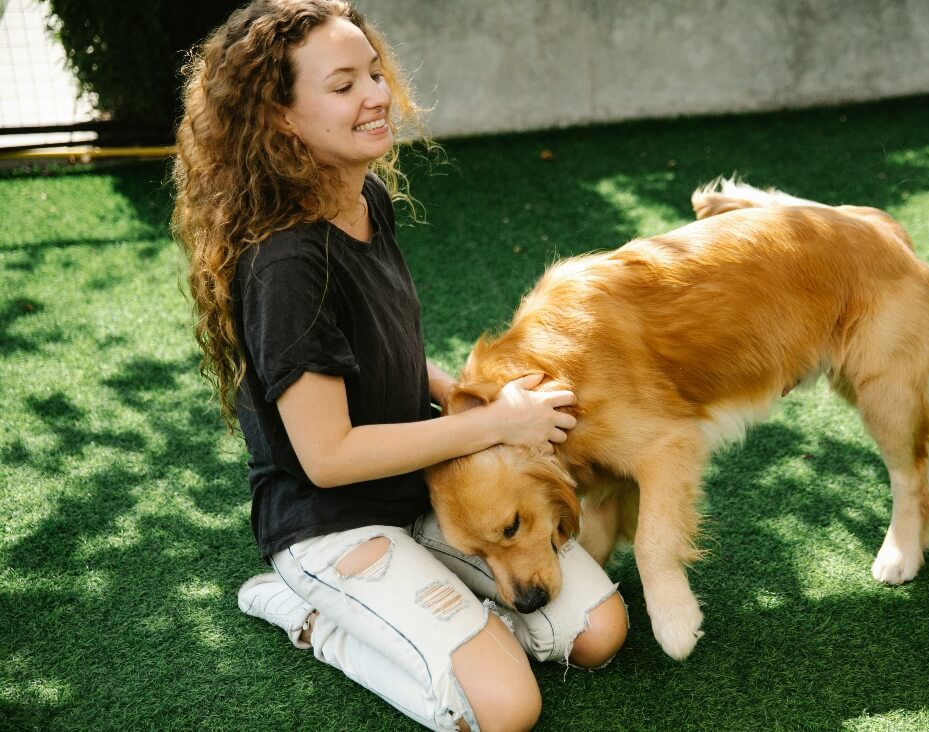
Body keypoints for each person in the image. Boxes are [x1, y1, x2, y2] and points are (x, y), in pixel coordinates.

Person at [171, 2, 628, 730]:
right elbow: (327, 456)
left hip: (423, 489)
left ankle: (441, 621)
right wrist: (495, 427)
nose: (377, 95)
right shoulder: (289, 262)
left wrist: (474, 401)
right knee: (507, 709)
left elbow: (388, 353)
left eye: (375, 73)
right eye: (344, 84)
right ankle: (310, 616)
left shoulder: (364, 197)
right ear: (281, 117)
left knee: (595, 635)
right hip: (332, 523)